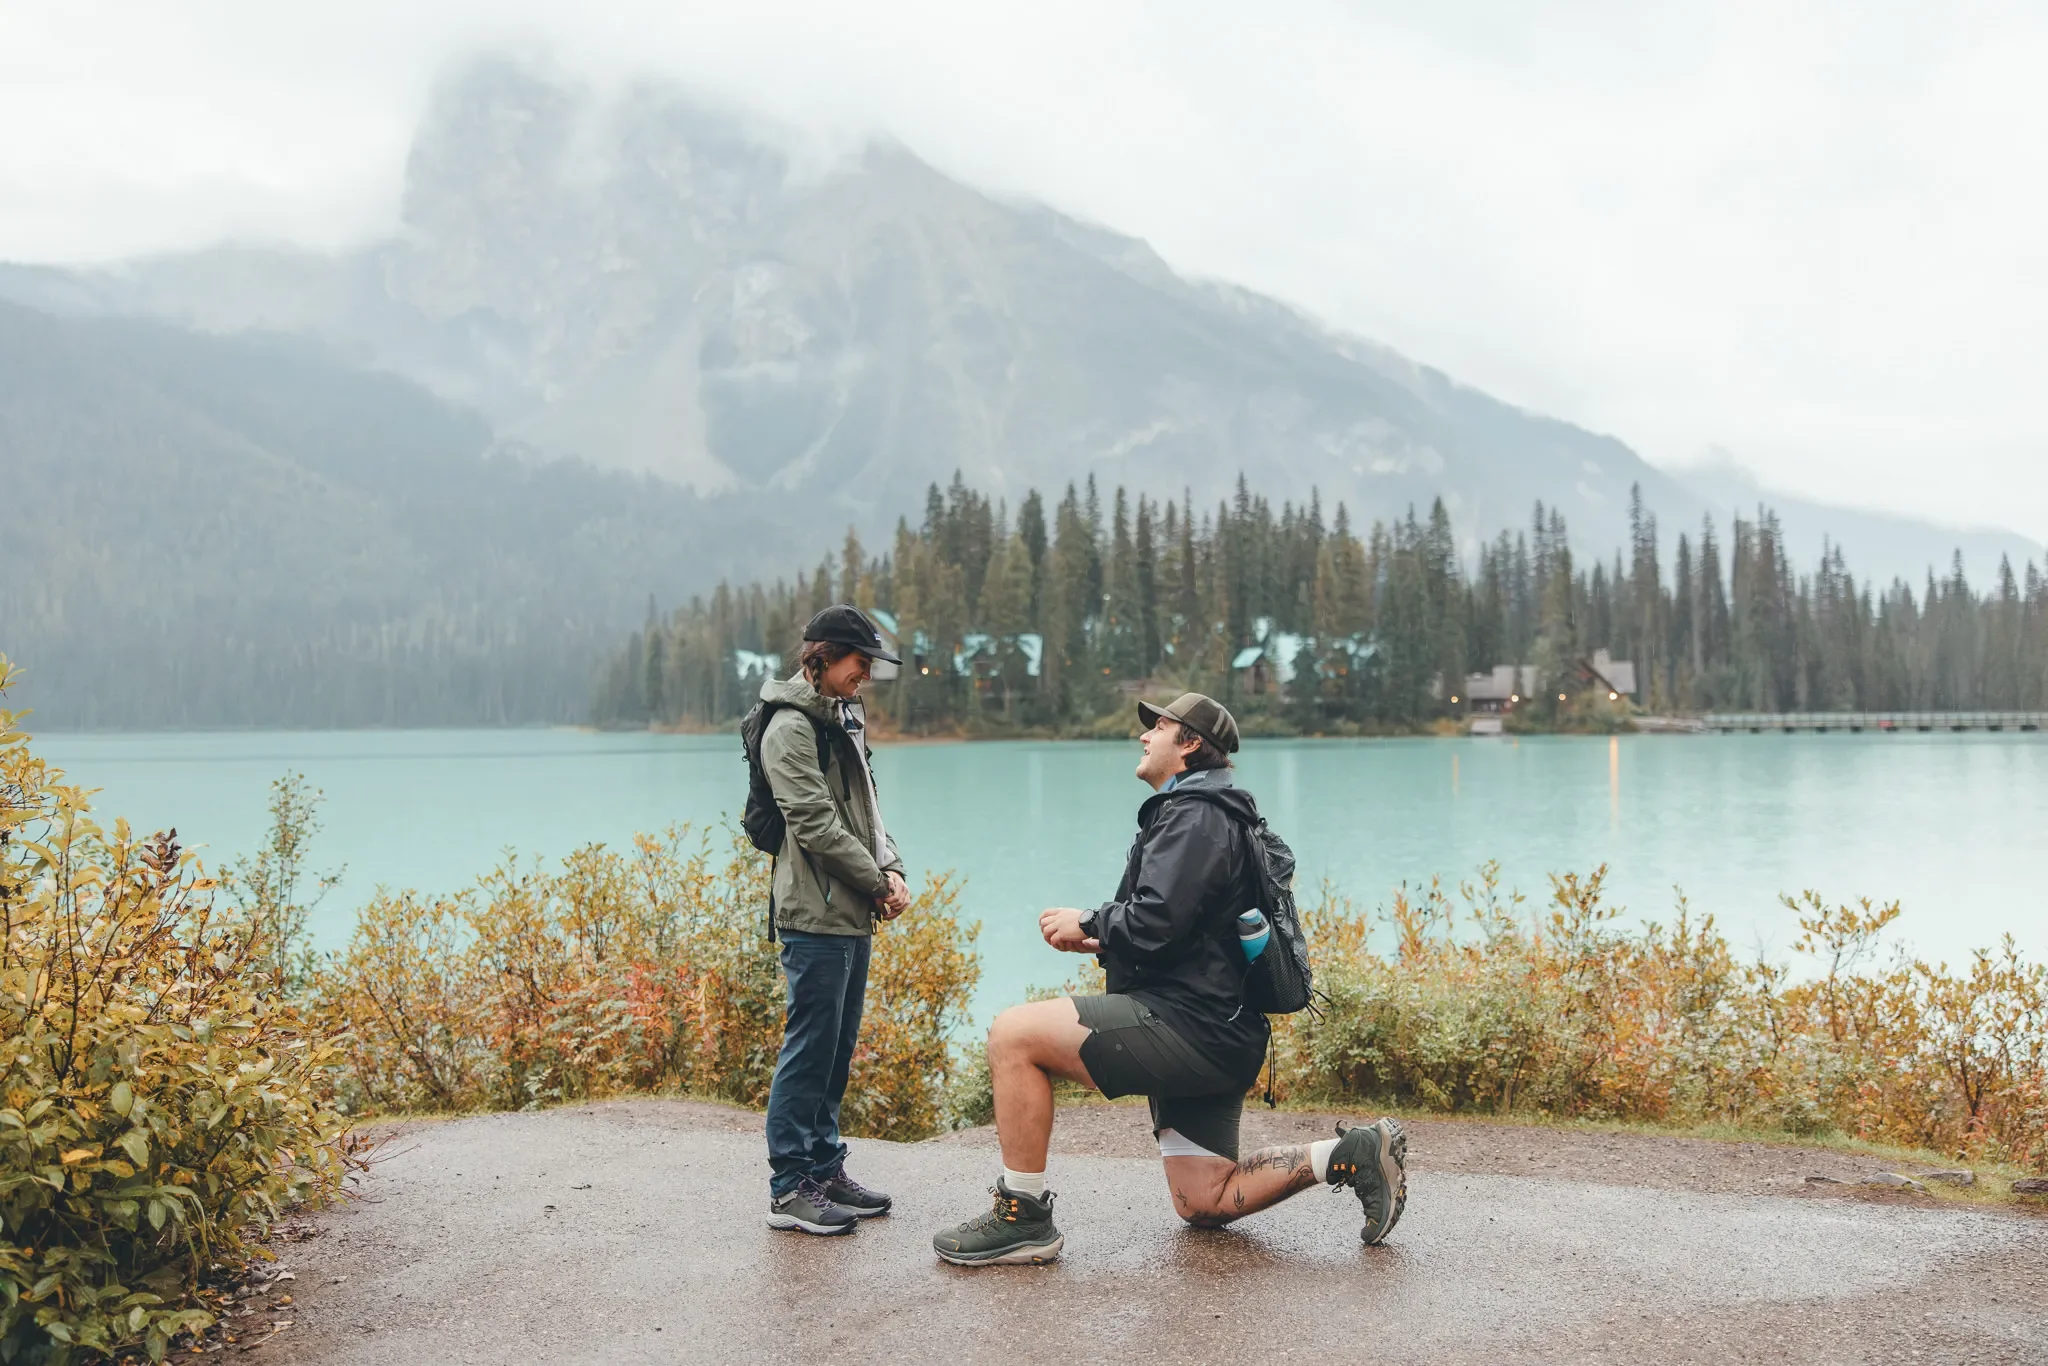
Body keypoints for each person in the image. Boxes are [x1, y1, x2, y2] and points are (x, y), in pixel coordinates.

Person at [930, 692, 1407, 1265]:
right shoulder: (1216, 812)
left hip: (1190, 1029)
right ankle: (1350, 1153)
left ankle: (1022, 1216)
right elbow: (1186, 929)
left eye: (1158, 726)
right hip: (1221, 1034)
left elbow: (1157, 917)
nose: (1144, 735)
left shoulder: (1196, 814)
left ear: (1189, 745)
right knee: (1204, 1199)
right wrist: (1104, 938)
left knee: (1014, 1035)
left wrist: (1087, 918)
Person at [760, 604, 913, 1236]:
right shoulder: (790, 730)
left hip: (849, 910)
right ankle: (790, 1186)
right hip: (814, 914)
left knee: (836, 1049)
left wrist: (894, 867)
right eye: (860, 663)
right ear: (822, 657)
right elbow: (817, 826)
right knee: (809, 1048)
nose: (867, 676)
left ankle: (824, 1166)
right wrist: (878, 883)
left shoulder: (844, 718)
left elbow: (867, 812)